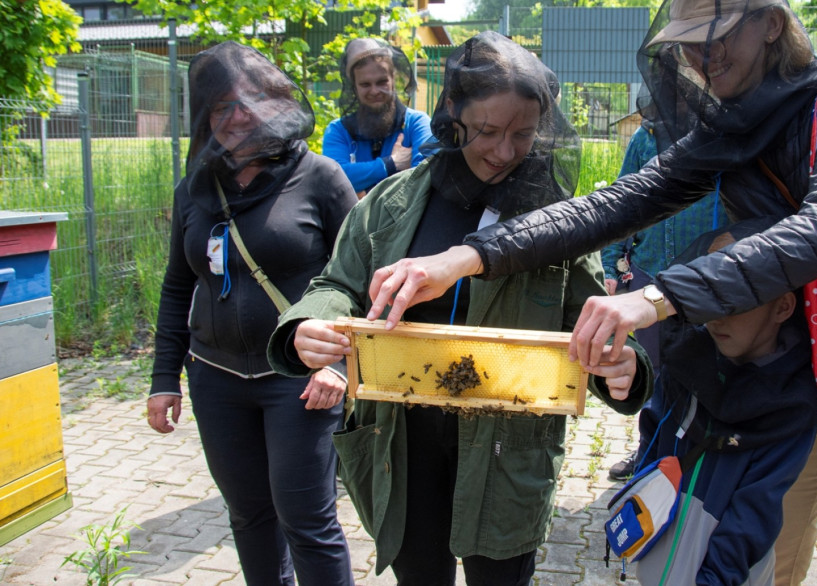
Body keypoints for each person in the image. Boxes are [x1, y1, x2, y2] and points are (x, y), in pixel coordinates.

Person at [366, 0, 817, 586]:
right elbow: (612, 205)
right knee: (771, 566)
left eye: (718, 33)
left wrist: (653, 299)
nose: (703, 55)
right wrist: (462, 259)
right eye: (688, 42)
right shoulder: (729, 127)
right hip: (794, 388)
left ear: (771, 24)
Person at [266, 31, 653, 586]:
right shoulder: (392, 202)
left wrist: (623, 365)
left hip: (506, 454)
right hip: (401, 445)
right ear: (452, 110)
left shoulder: (559, 221)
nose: (503, 151)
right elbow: (336, 283)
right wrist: (310, 323)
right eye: (488, 131)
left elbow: (593, 319)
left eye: (523, 134)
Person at [147, 41, 358, 585]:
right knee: (248, 516)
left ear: (278, 105)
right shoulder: (194, 189)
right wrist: (162, 378)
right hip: (214, 379)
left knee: (307, 520)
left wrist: (339, 365)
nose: (238, 117)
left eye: (250, 102)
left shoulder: (321, 177)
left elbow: (362, 278)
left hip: (300, 378)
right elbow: (177, 287)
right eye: (221, 107)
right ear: (205, 119)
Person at [629, 218, 817, 584]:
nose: (717, 314)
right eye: (710, 293)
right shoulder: (688, 360)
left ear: (783, 307)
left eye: (736, 299)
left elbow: (753, 518)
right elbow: (653, 432)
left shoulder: (792, 407)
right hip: (656, 560)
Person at [602, 121, 722, 481]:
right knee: (655, 373)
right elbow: (622, 201)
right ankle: (648, 453)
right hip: (649, 274)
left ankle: (698, 462)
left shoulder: (729, 134)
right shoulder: (646, 137)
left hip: (708, 277)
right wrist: (611, 263)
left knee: (704, 372)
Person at [321, 36, 435, 195]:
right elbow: (332, 179)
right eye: (365, 84)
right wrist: (390, 164)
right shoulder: (337, 130)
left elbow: (425, 179)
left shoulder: (417, 123)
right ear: (354, 87)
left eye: (382, 82)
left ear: (393, 80)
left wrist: (362, 186)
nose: (374, 91)